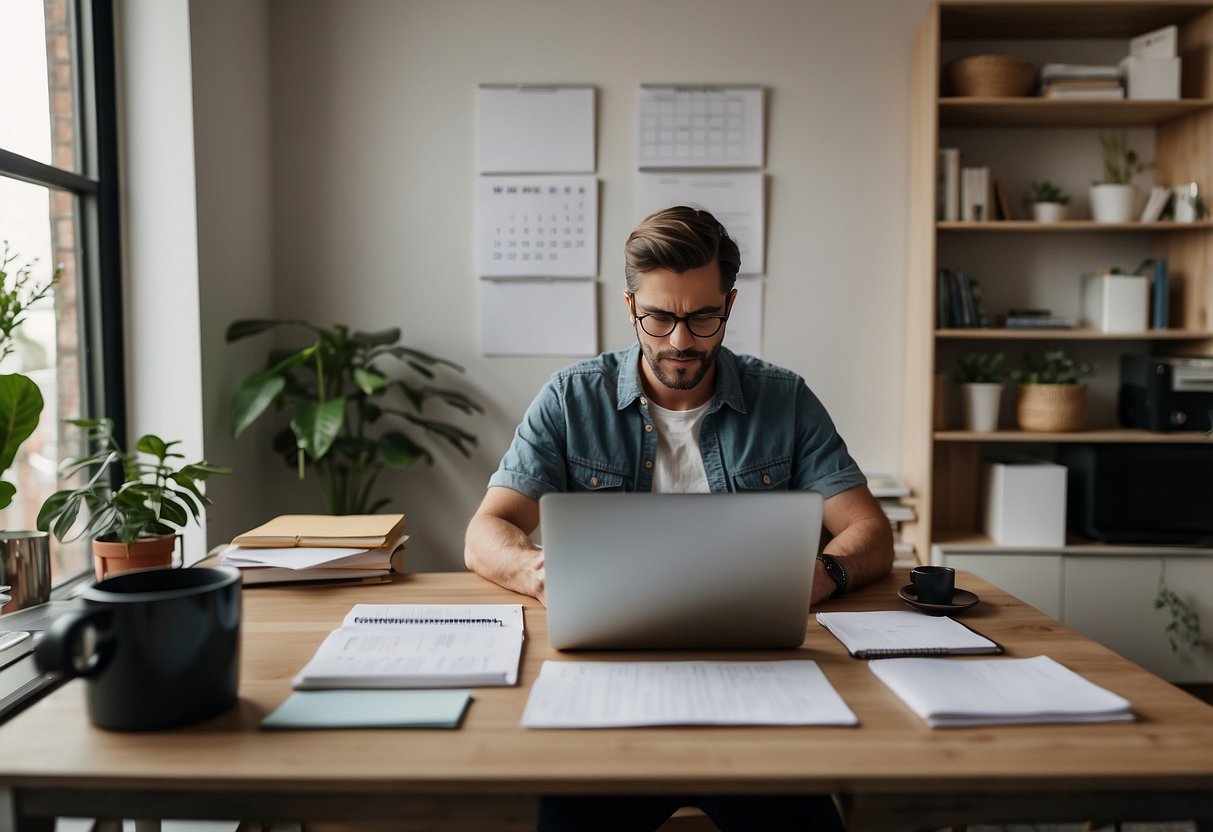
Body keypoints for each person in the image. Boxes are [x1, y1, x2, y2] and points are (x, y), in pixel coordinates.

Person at [464, 205, 893, 832]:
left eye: (702, 317)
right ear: (631, 305)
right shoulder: (569, 398)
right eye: (660, 317)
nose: (681, 341)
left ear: (731, 304)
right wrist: (539, 572)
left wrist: (824, 573)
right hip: (607, 685)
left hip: (758, 684)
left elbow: (871, 532)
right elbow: (484, 533)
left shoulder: (785, 400)